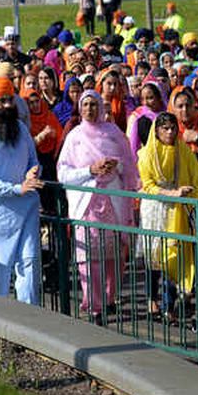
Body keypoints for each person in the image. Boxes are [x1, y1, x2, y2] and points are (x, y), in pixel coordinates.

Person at [57, 90, 141, 322]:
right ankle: (94, 306)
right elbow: (63, 172)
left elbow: (130, 165)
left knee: (115, 256)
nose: (90, 109)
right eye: (85, 105)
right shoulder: (75, 137)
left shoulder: (114, 133)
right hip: (87, 205)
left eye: (94, 104)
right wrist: (90, 170)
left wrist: (116, 166)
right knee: (89, 258)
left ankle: (109, 297)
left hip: (113, 202)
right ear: (80, 108)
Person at [137, 111, 198, 317]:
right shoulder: (146, 154)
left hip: (178, 210)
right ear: (157, 131)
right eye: (165, 128)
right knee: (156, 258)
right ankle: (153, 298)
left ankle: (171, 306)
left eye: (172, 128)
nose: (169, 132)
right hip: (156, 210)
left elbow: (197, 177)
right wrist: (172, 193)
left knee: (175, 255)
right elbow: (148, 186)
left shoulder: (183, 151)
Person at [0, 79, 43, 304]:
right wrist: (17, 188)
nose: (6, 105)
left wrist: (33, 172)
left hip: (28, 208)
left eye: (9, 100)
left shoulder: (22, 128)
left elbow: (34, 160)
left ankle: (31, 329)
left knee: (29, 265)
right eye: (0, 100)